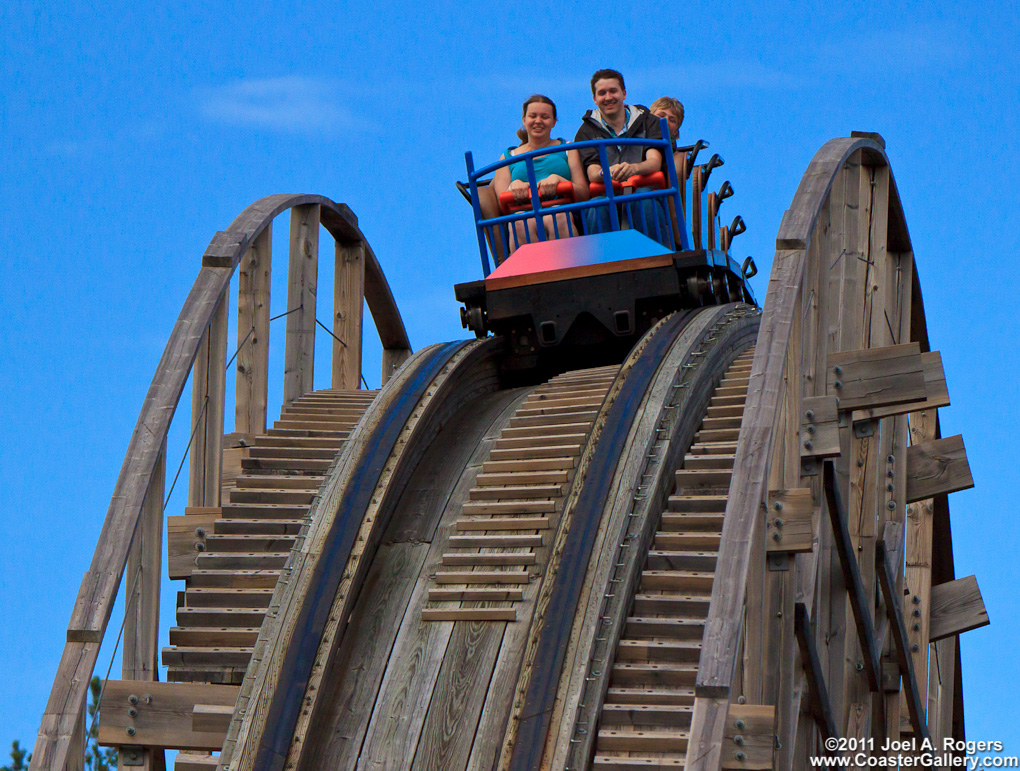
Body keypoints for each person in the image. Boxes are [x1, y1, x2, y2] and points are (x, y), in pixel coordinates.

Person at [574, 69, 669, 243]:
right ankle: (602, 263)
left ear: (624, 94)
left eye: (613, 91)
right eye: (602, 93)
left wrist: (633, 168)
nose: (608, 97)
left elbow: (654, 161)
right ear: (595, 99)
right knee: (596, 206)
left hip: (643, 190)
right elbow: (593, 172)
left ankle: (654, 256)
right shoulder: (586, 131)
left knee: (642, 197)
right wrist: (608, 173)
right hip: (607, 195)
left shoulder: (647, 121)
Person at [488, 95, 589, 251]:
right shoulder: (509, 156)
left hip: (563, 211)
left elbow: (584, 193)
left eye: (545, 117)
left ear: (554, 121)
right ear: (524, 119)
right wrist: (513, 186)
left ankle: (568, 269)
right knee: (520, 221)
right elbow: (502, 202)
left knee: (556, 216)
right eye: (532, 116)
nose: (538, 121)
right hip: (523, 214)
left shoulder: (568, 148)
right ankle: (530, 273)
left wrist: (560, 180)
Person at [650, 96, 685, 180]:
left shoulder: (668, 146)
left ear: (676, 131)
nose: (665, 121)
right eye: (661, 115)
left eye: (672, 120)